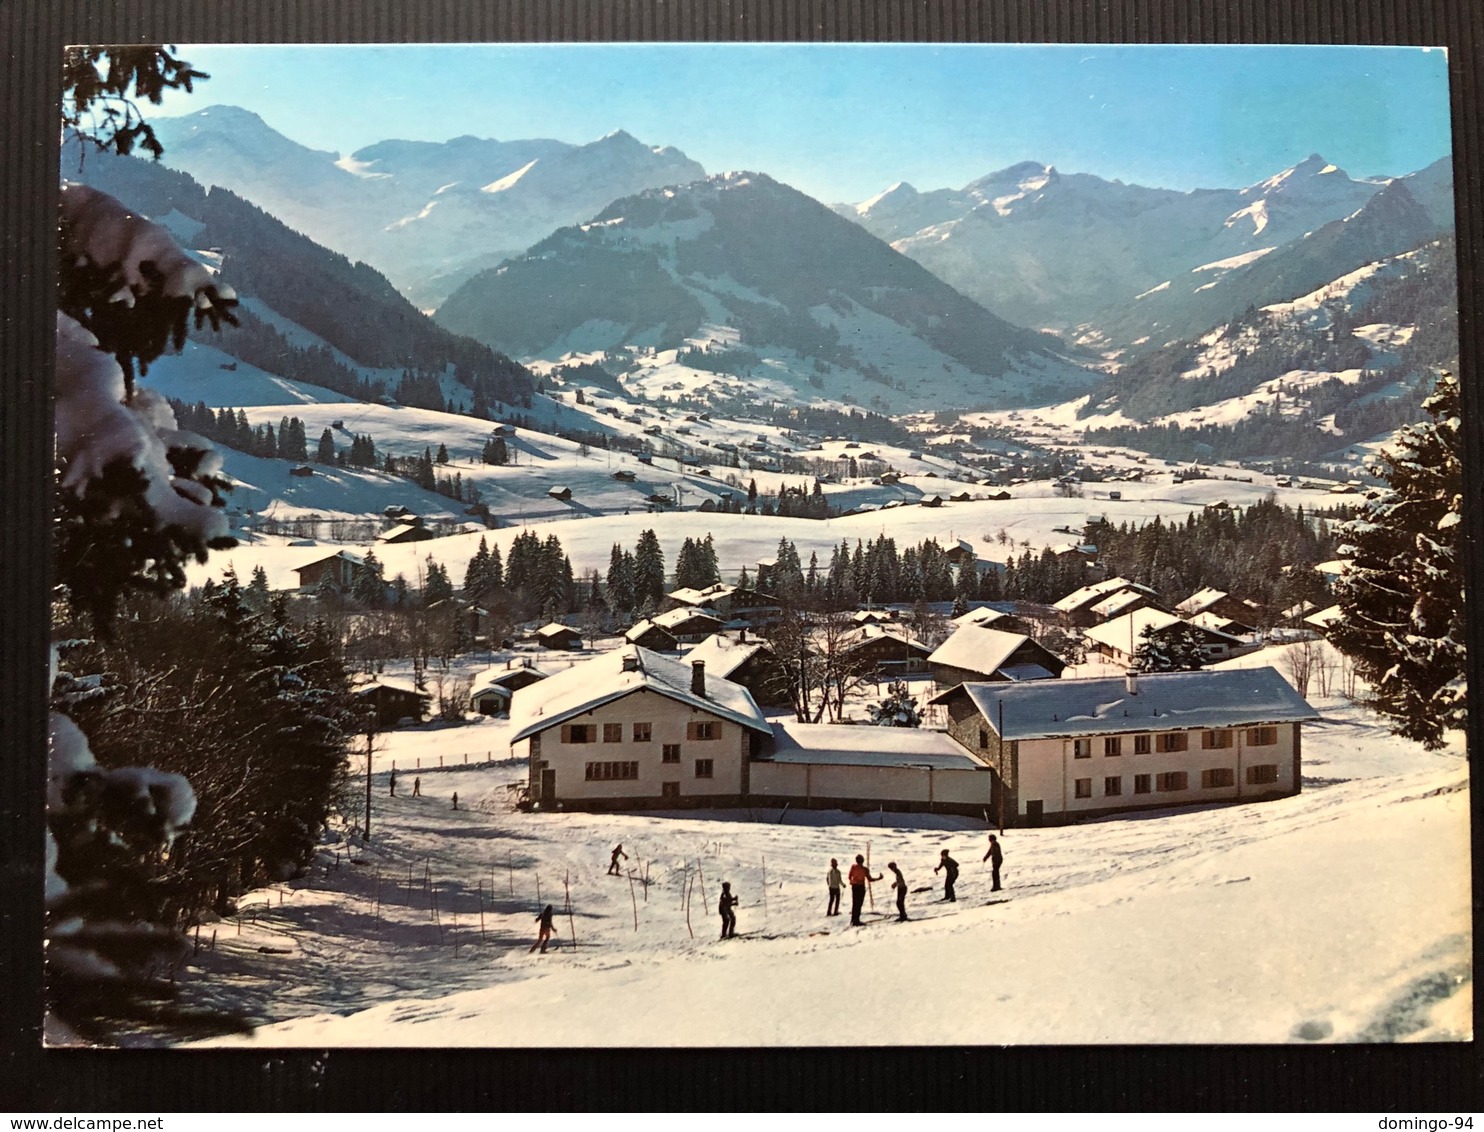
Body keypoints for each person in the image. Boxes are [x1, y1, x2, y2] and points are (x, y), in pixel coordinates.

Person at [847, 854, 881, 926]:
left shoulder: (853, 867)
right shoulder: (865, 869)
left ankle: (853, 919)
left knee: (855, 903)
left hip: (854, 886)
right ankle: (856, 920)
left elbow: (849, 876)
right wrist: (879, 878)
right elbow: (870, 879)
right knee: (859, 904)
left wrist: (852, 881)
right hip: (860, 887)